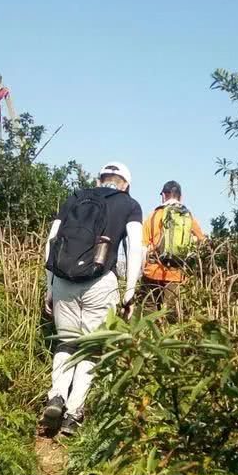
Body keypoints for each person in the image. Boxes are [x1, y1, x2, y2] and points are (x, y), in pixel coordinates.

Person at [41, 162, 143, 436]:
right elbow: (135, 249)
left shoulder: (76, 197)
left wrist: (49, 286)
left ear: (99, 180)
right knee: (91, 348)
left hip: (63, 279)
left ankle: (56, 396)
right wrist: (130, 292)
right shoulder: (129, 204)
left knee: (66, 342)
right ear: (126, 184)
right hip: (101, 282)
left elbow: (52, 240)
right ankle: (73, 415)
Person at [141, 181, 205, 314]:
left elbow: (143, 246)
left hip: (152, 271)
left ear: (163, 196)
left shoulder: (153, 215)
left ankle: (147, 334)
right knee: (171, 314)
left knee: (149, 312)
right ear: (181, 197)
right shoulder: (187, 216)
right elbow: (202, 240)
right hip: (176, 272)